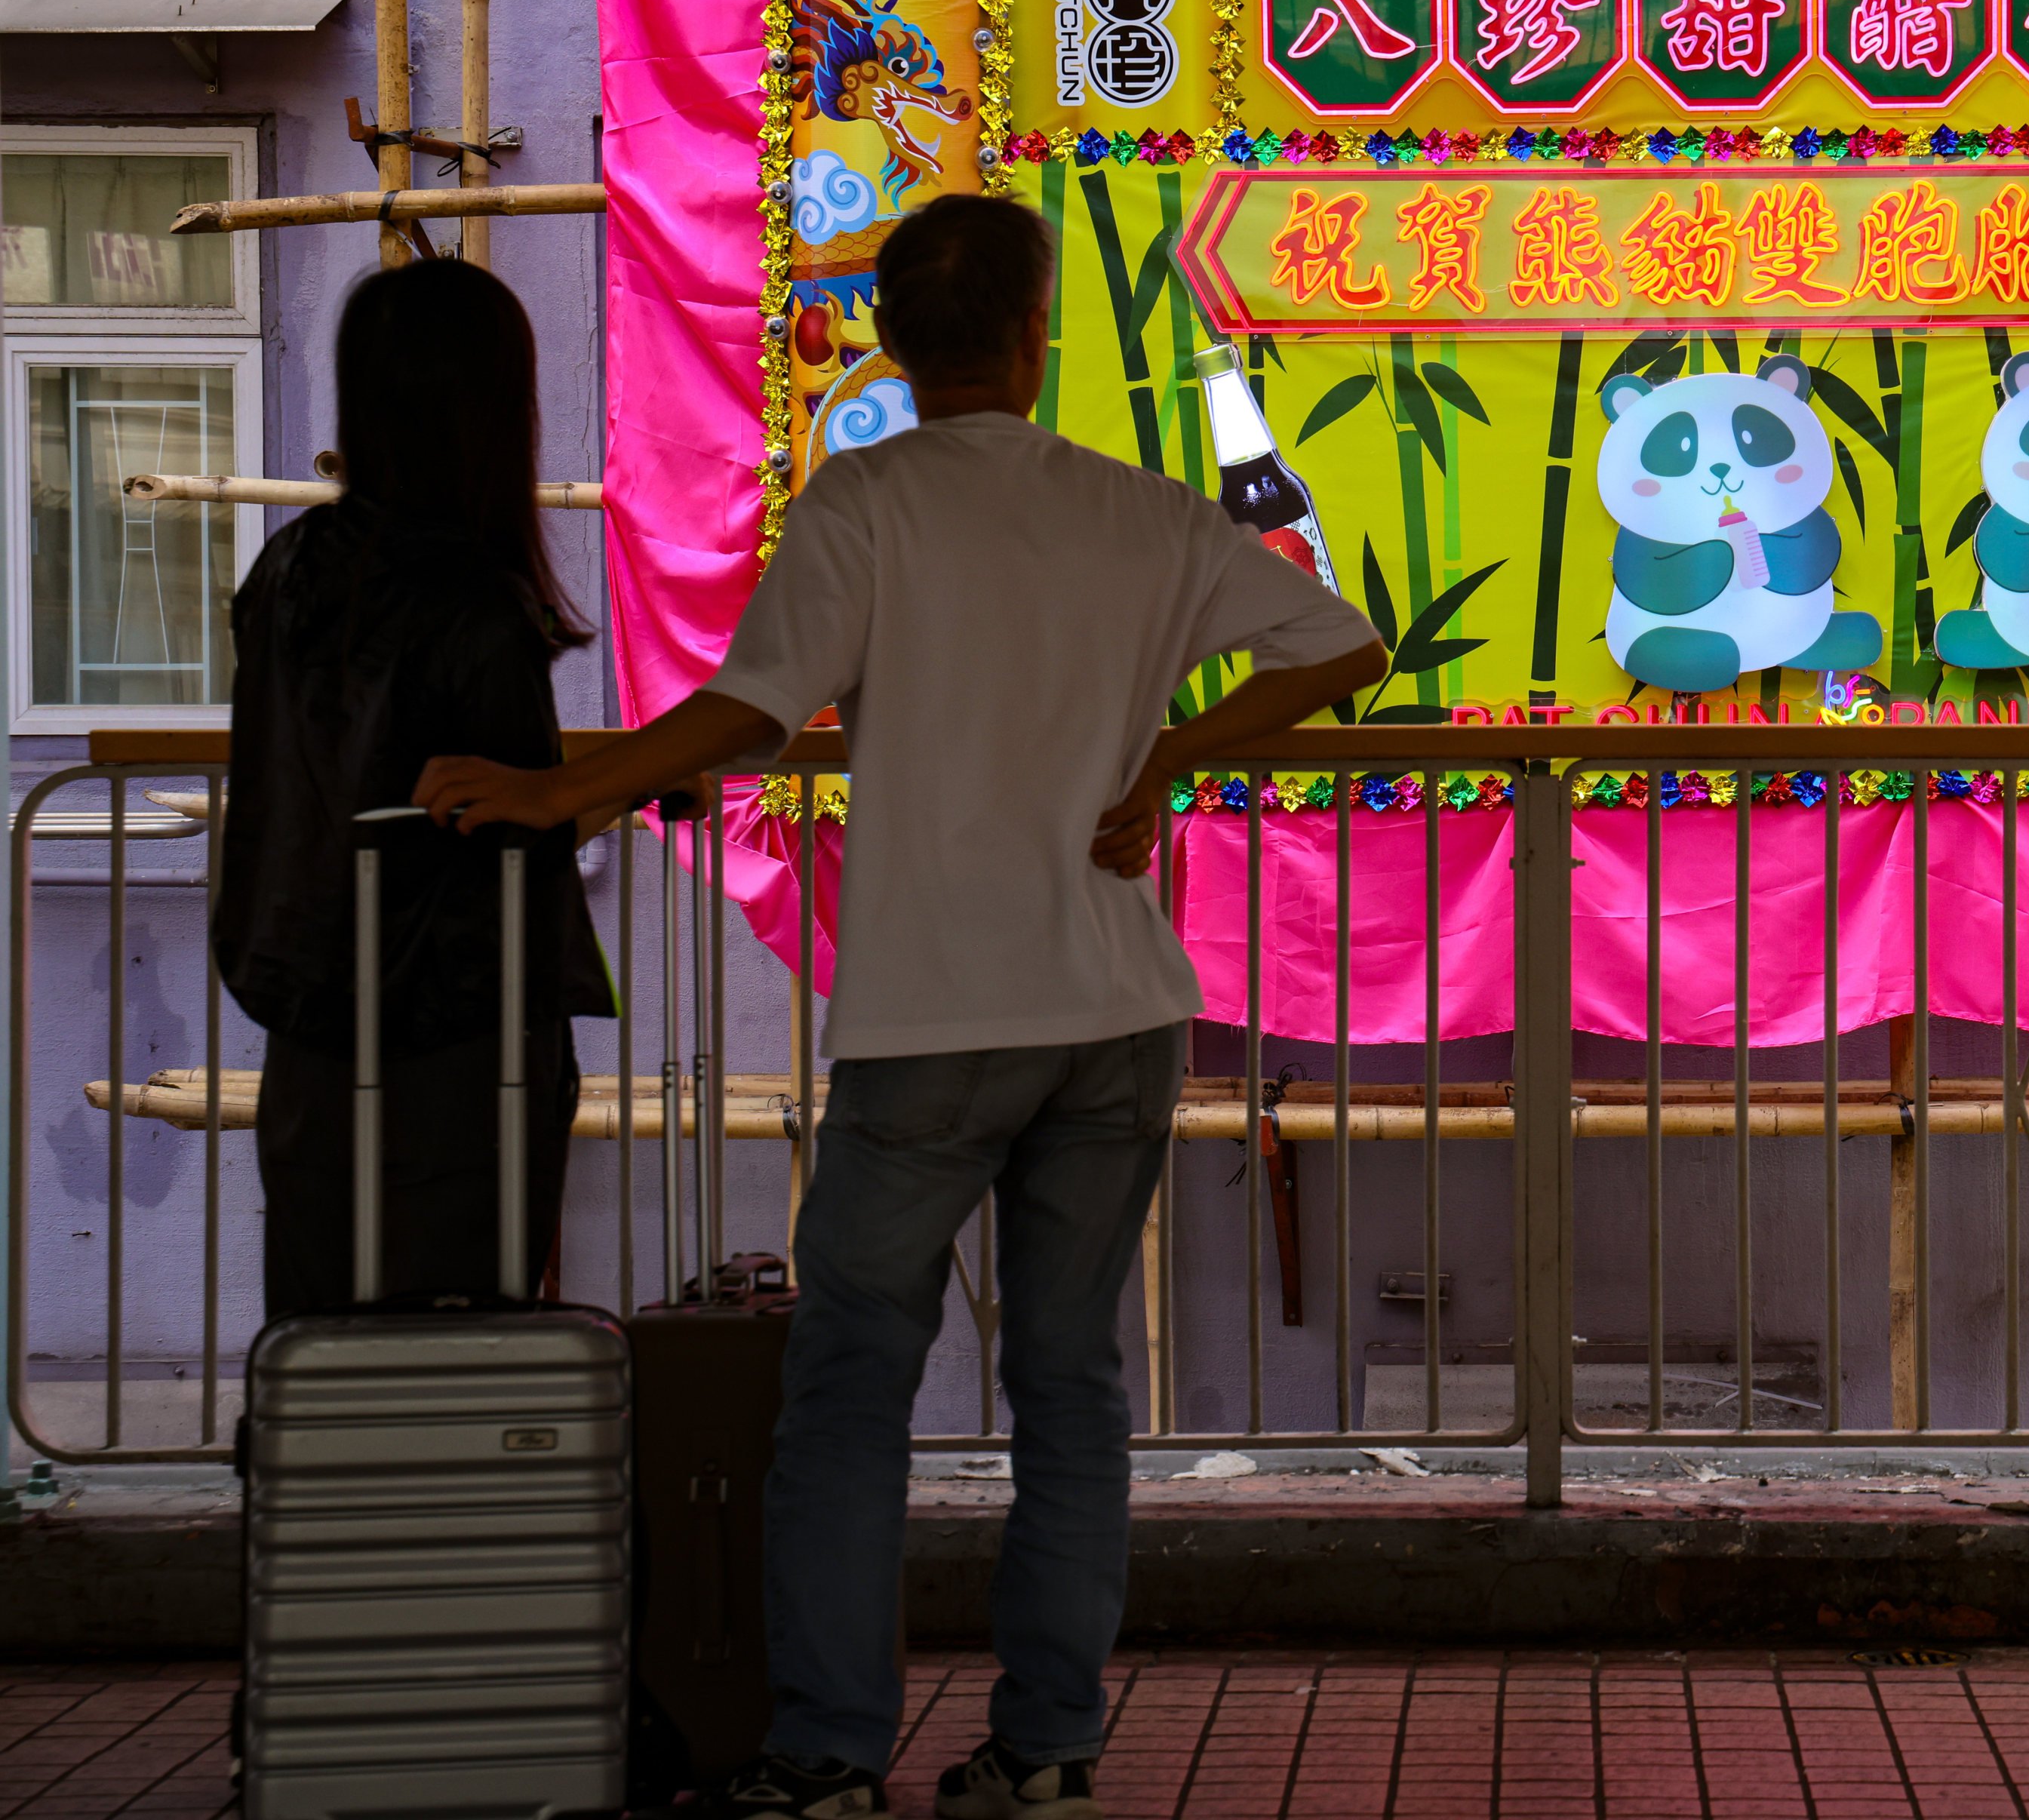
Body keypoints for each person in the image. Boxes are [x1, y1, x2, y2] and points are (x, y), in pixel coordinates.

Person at [413, 193, 1384, 1820]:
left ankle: (827, 1752)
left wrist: (550, 788)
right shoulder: (1134, 511)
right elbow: (1341, 643)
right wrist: (1167, 761)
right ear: (1035, 331)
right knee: (1069, 1386)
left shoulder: (862, 506)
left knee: (849, 1387)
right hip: (1111, 1007)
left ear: (886, 340)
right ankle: (1048, 1746)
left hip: (929, 1021)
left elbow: (739, 718)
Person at [218, 259, 618, 1318]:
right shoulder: (476, 606)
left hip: (310, 1014)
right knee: (458, 1336)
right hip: (459, 1041)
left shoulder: (288, 570)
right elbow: (520, 807)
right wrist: (651, 776)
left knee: (321, 1322)